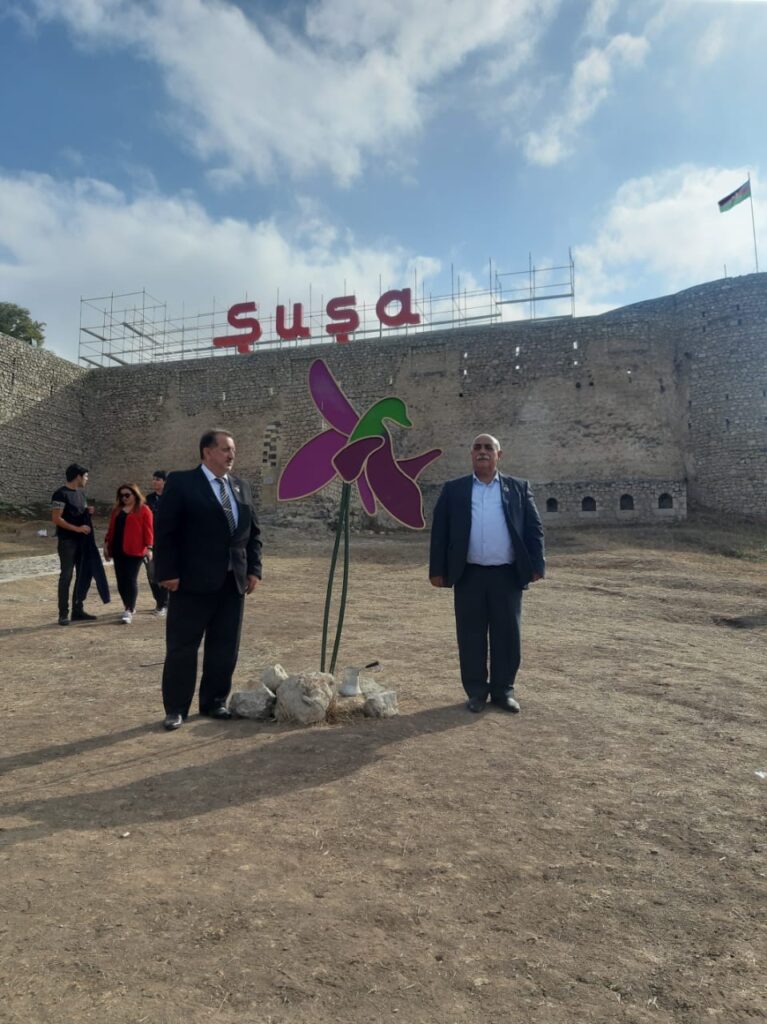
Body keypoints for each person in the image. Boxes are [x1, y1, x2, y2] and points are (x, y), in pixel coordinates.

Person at [429, 433, 545, 714]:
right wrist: (437, 570)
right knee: (471, 635)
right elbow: (440, 532)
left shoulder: (518, 488)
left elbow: (534, 528)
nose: (482, 451)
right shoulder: (454, 490)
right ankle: (476, 692)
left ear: (498, 455)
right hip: (468, 575)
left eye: (488, 448)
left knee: (508, 635)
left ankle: (504, 691)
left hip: (506, 575)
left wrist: (536, 565)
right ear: (471, 454)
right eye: (477, 447)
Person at [154, 429, 262, 730]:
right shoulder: (182, 483)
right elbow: (165, 531)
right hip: (191, 582)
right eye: (226, 449)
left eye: (233, 450)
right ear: (207, 452)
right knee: (182, 647)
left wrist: (254, 569)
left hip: (232, 582)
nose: (231, 455)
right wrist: (167, 572)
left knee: (225, 645)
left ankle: (214, 701)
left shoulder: (241, 486)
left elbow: (253, 533)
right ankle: (176, 708)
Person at [51, 463, 96, 625]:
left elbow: (77, 514)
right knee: (66, 576)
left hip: (81, 542)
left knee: (83, 575)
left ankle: (78, 611)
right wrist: (77, 529)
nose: (87, 479)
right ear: (78, 476)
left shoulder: (81, 494)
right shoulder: (60, 494)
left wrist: (87, 512)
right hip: (67, 542)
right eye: (85, 476)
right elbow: (56, 518)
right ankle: (63, 614)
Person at [103, 483, 154, 624]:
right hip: (118, 549)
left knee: (130, 579)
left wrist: (149, 548)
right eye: (121, 495)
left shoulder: (144, 509)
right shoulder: (117, 510)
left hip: (136, 550)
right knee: (121, 580)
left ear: (135, 495)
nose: (124, 498)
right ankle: (128, 604)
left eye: (127, 495)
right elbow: (111, 529)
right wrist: (106, 544)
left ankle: (129, 609)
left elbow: (149, 530)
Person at [144, 470, 168, 617]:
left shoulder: (172, 498)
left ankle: (163, 604)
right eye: (153, 479)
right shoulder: (148, 499)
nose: (154, 482)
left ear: (165, 482)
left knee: (165, 573)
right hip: (151, 542)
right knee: (152, 574)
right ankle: (160, 601)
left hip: (167, 542)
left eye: (158, 479)